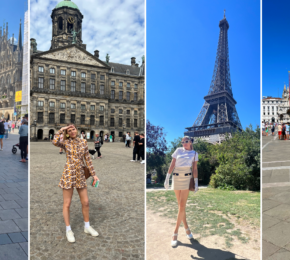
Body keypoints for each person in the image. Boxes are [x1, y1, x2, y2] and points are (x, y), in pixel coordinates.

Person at [52, 124, 100, 243]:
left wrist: (93, 174)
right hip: (68, 173)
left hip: (80, 173)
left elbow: (87, 159)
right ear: (67, 133)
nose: (72, 131)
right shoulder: (65, 142)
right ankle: (68, 230)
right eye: (69, 130)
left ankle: (87, 226)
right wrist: (61, 130)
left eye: (73, 129)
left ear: (76, 130)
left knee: (86, 202)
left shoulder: (83, 142)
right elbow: (54, 142)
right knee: (67, 203)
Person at [164, 136, 198, 247]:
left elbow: (194, 168)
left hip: (186, 179)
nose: (184, 143)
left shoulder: (194, 153)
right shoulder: (178, 150)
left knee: (182, 205)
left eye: (186, 141)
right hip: (176, 178)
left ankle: (175, 233)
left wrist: (196, 182)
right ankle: (187, 229)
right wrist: (167, 177)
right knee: (180, 207)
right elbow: (173, 163)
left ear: (191, 142)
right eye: (182, 142)